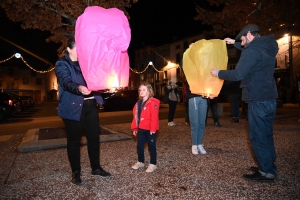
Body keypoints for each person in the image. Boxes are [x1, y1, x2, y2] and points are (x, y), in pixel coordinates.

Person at [211, 24, 278, 182]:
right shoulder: (267, 46)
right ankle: (268, 165)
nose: (241, 43)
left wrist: (217, 73)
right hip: (269, 97)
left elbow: (238, 73)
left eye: (241, 40)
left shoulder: (252, 51)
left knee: (257, 136)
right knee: (267, 135)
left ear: (249, 34)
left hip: (257, 98)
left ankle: (266, 172)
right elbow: (252, 53)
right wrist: (233, 43)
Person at [55, 37, 111, 185]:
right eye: (78, 48)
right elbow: (65, 81)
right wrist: (79, 88)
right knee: (74, 141)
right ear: (69, 49)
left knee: (94, 139)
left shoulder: (87, 63)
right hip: (73, 107)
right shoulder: (62, 64)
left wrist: (107, 85)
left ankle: (96, 168)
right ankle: (76, 172)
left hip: (91, 106)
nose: (82, 51)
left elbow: (97, 79)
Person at [131, 82, 160, 173]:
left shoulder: (153, 102)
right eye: (140, 90)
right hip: (141, 129)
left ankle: (153, 164)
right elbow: (136, 117)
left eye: (144, 90)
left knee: (151, 147)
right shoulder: (138, 103)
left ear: (149, 91)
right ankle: (140, 161)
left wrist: (153, 128)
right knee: (139, 146)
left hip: (150, 129)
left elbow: (154, 117)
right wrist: (135, 128)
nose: (141, 91)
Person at [187, 84, 208, 155]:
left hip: (204, 97)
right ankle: (194, 144)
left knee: (202, 123)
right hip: (194, 97)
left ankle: (199, 143)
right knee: (195, 123)